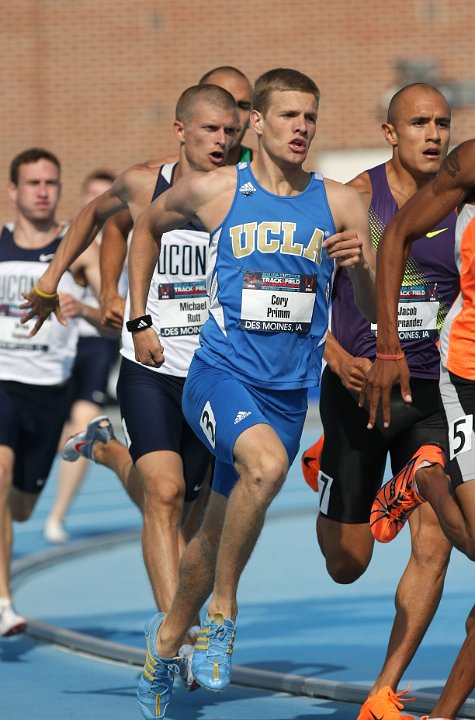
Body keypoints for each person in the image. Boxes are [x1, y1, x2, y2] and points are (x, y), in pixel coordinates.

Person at [125, 67, 375, 719]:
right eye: (289, 116)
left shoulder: (340, 203)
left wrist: (359, 266)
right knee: (262, 468)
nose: (301, 128)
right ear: (256, 123)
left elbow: (369, 303)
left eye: (310, 117)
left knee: (211, 538)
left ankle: (164, 642)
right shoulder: (211, 191)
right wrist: (138, 315)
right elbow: (144, 227)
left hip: (290, 395)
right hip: (219, 373)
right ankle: (224, 615)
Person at [20, 85, 239, 687]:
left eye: (230, 131)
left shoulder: (249, 192)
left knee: (185, 511)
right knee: (165, 498)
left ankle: (105, 447)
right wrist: (60, 280)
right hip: (149, 365)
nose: (221, 141)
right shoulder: (147, 182)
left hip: (214, 371)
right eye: (210, 131)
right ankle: (178, 643)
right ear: (181, 130)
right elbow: (99, 217)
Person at [301, 83, 459, 720]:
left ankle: (383, 691)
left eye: (442, 123)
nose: (433, 134)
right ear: (390, 132)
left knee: (436, 540)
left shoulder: (464, 207)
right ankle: (326, 464)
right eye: (418, 122)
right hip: (358, 394)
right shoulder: (355, 201)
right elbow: (295, 300)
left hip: (432, 392)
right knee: (347, 563)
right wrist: (339, 360)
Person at [360, 139, 475, 720]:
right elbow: (396, 234)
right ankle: (424, 477)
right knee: (347, 560)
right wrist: (386, 345)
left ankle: (441, 716)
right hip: (469, 377)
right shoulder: (473, 162)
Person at [0, 148, 101, 636]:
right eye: (33, 183)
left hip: (50, 391)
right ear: (13, 190)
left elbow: (116, 316)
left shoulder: (77, 249)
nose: (43, 191)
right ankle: (3, 602)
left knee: (19, 506)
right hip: (3, 383)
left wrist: (81, 306)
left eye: (51, 183)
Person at [100, 66, 254, 332]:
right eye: (222, 100)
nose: (234, 114)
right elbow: (114, 224)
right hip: (164, 343)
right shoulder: (160, 175)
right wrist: (109, 292)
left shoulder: (263, 173)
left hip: (230, 346)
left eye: (243, 105)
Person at [44, 169, 119, 544]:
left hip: (98, 343)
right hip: (62, 344)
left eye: (107, 196)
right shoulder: (71, 240)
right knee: (59, 430)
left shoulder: (126, 239)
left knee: (83, 424)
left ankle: (57, 515)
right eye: (93, 196)